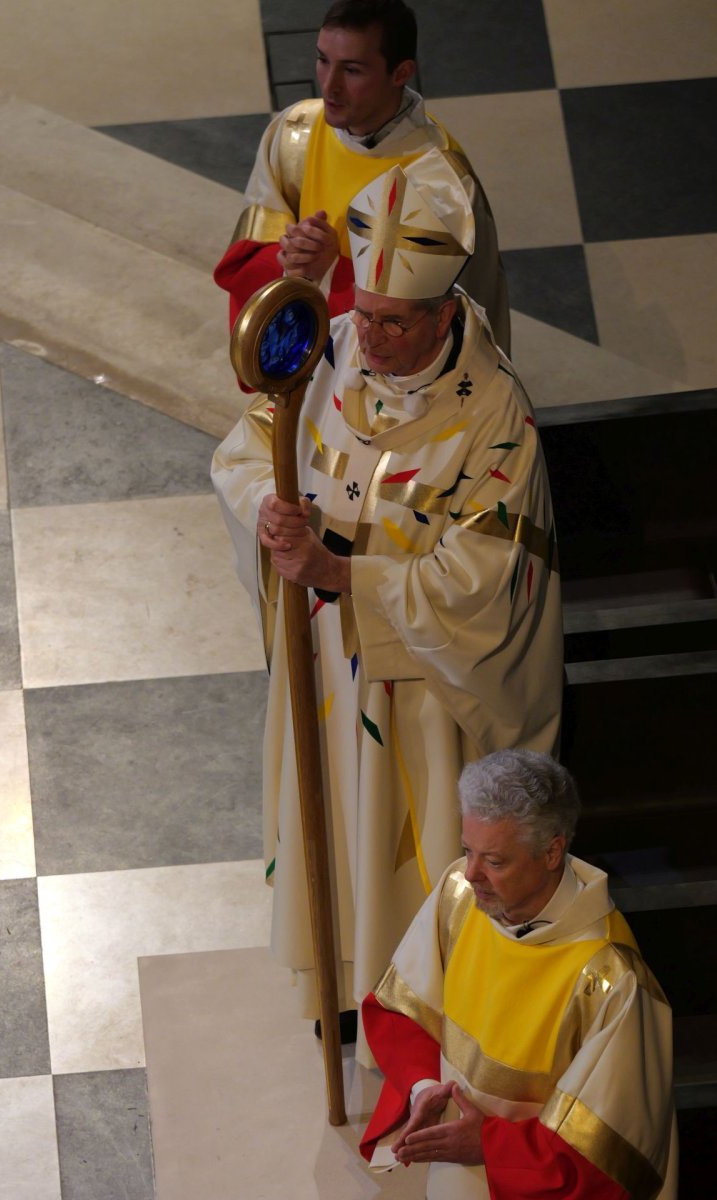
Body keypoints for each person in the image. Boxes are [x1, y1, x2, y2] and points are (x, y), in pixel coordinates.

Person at [211, 159, 562, 1066]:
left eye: (391, 322)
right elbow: (248, 444)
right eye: (361, 313)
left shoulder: (496, 416)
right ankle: (334, 980)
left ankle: (413, 1018)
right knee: (331, 823)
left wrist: (345, 571)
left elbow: (487, 577)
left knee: (406, 848)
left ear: (444, 315)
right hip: (328, 659)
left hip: (421, 690)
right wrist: (267, 506)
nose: (366, 337)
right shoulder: (327, 346)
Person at [360, 749, 678, 1199]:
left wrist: (488, 1143)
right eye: (468, 851)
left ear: (551, 852)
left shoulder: (608, 976)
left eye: (495, 861)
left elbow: (609, 1156)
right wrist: (424, 1086)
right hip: (458, 1169)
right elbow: (399, 1010)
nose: (472, 874)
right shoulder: (460, 896)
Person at [214, 0, 510, 360]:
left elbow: (437, 328)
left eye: (352, 70)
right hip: (303, 367)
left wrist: (330, 272)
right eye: (323, 60)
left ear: (401, 72)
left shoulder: (438, 181)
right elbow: (248, 257)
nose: (330, 86)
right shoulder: (296, 133)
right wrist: (289, 260)